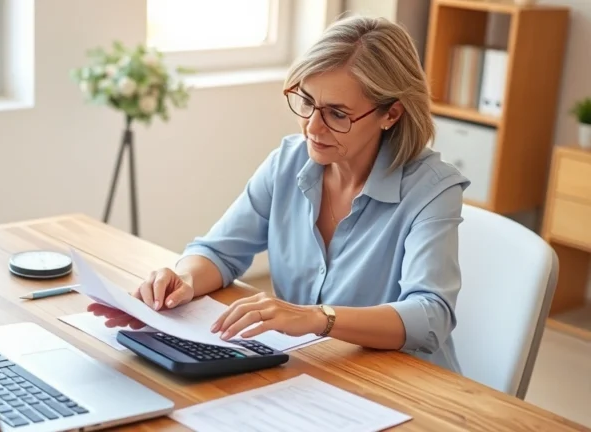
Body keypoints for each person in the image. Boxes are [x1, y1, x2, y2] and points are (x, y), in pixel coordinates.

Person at [88, 15, 470, 373]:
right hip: (315, 370)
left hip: (407, 385)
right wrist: (184, 279)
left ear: (391, 114)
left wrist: (318, 317)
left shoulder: (432, 190)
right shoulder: (288, 162)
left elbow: (430, 315)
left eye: (337, 114)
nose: (312, 127)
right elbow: (218, 252)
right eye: (307, 102)